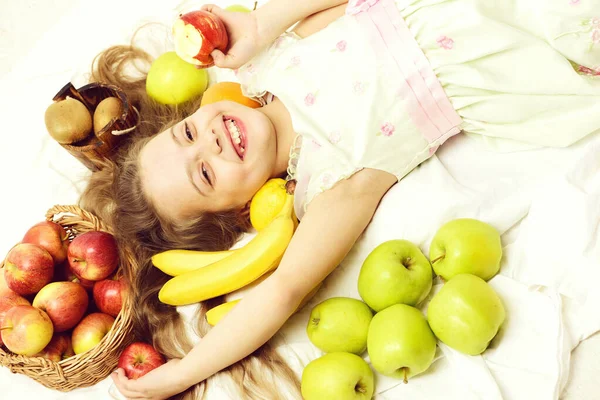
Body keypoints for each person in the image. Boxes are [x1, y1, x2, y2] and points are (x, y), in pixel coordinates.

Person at [78, 0, 600, 398]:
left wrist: (261, 26)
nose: (209, 144)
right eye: (207, 175)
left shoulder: (268, 57)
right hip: (511, 64)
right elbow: (281, 291)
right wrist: (182, 374)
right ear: (241, 209)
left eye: (188, 135)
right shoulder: (330, 184)